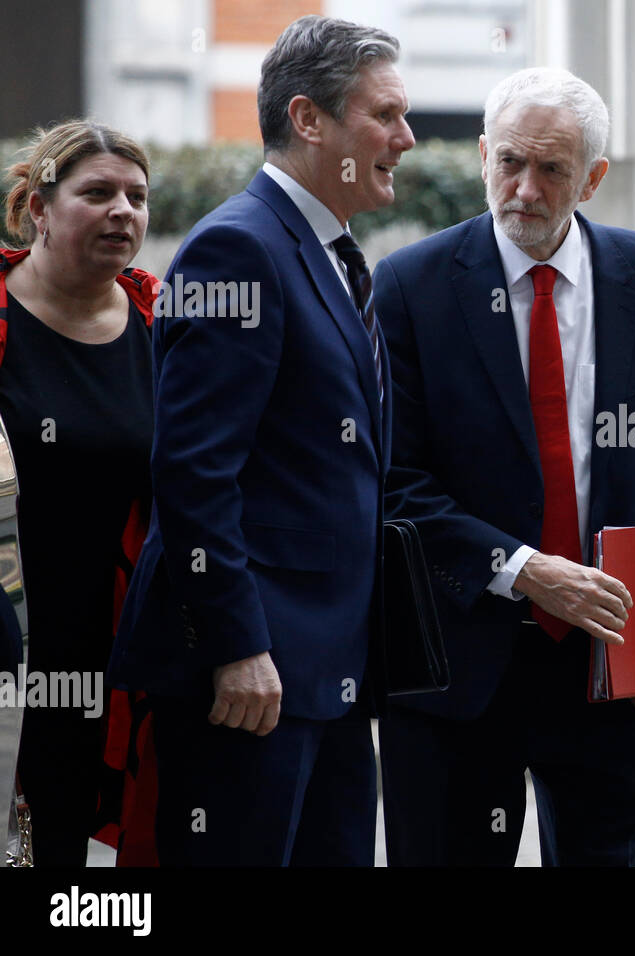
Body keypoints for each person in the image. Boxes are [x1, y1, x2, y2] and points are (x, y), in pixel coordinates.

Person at [373, 66, 635, 866]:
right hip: (456, 665)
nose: (525, 189)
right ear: (480, 157)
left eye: (552, 170)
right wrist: (525, 569)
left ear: (595, 178)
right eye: (509, 161)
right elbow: (392, 480)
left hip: (612, 664)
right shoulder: (409, 287)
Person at [108, 14, 414, 866]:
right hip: (252, 679)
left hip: (330, 675)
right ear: (309, 119)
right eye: (385, 115)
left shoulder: (329, 250)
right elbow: (195, 469)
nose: (408, 137)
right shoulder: (237, 249)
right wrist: (238, 645)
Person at [0, 121, 156, 867]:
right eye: (97, 193)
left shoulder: (164, 322)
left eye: (136, 196)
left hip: (118, 649)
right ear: (37, 206)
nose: (122, 210)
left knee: (75, 857)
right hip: (15, 644)